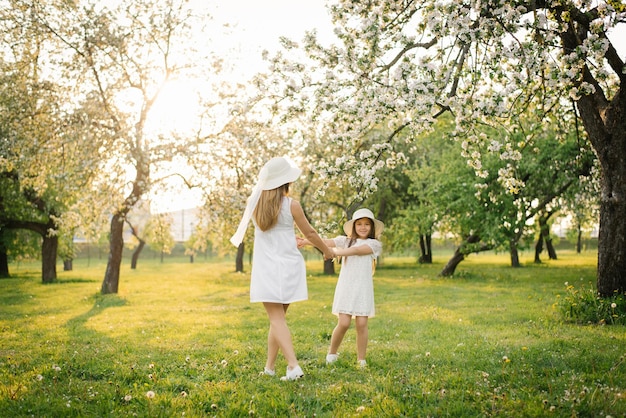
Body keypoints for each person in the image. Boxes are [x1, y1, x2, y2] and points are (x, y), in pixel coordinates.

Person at [230, 156, 334, 381]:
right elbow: (311, 234)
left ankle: (293, 366)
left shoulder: (255, 204)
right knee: (278, 319)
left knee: (277, 319)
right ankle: (270, 368)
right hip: (289, 266)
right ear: (285, 182)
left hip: (267, 268)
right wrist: (326, 250)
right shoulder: (292, 205)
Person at [298, 208, 383, 368]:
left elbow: (357, 251)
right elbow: (326, 242)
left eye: (366, 224)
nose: (363, 227)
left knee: (361, 324)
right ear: (354, 226)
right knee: (343, 323)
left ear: (372, 227)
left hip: (362, 289)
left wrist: (335, 253)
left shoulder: (374, 244)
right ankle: (332, 353)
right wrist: (305, 241)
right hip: (346, 287)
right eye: (359, 224)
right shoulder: (346, 240)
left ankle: (361, 359)